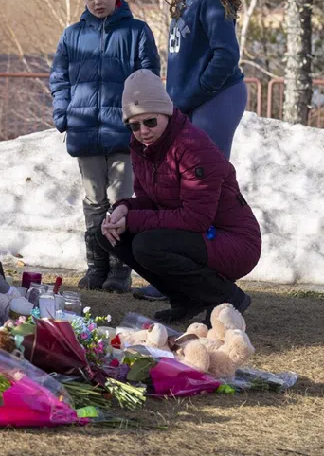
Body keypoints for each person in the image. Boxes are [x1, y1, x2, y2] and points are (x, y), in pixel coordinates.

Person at [135, 0, 247, 303]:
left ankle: (205, 276)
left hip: (216, 101)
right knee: (178, 187)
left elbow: (226, 57)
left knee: (201, 191)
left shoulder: (211, 1)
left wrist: (193, 97)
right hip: (187, 104)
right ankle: (177, 270)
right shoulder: (185, 0)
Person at [98, 70, 260, 323]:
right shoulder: (142, 148)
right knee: (109, 235)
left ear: (167, 113)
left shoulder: (193, 147)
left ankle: (227, 297)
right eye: (134, 125)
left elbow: (196, 220)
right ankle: (186, 299)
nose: (143, 131)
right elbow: (147, 200)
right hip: (197, 234)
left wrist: (132, 220)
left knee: (147, 245)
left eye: (150, 121)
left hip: (231, 240)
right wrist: (123, 209)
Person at [50, 0, 160, 293]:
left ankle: (120, 269)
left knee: (121, 199)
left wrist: (140, 122)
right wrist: (63, 113)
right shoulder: (72, 36)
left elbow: (148, 78)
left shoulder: (137, 31)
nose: (97, 2)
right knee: (93, 200)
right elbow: (59, 78)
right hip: (84, 131)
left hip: (124, 134)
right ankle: (96, 266)